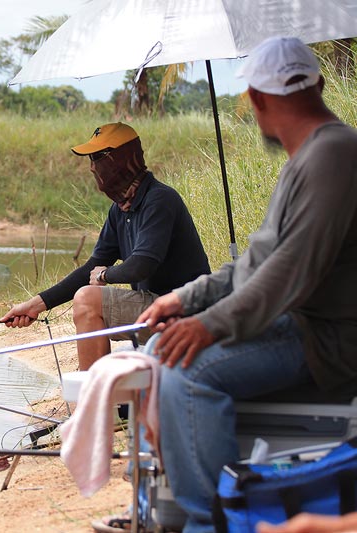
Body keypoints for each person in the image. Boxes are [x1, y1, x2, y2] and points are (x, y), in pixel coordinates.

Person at [137, 36, 357, 533]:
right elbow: (255, 262)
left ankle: (210, 521)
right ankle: (167, 498)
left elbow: (290, 271)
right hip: (299, 324)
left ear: (256, 100)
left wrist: (209, 327)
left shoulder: (335, 153)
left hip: (327, 338)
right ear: (318, 84)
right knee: (156, 349)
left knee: (186, 371)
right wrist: (184, 299)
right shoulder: (308, 159)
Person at [1, 122, 210, 370]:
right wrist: (35, 305)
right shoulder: (120, 209)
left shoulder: (160, 200)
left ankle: (92, 398)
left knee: (88, 299)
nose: (92, 167)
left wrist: (104, 275)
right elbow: (91, 266)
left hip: (186, 310)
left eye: (98, 158)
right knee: (87, 294)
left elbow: (141, 265)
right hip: (155, 308)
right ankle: (99, 393)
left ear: (121, 159)